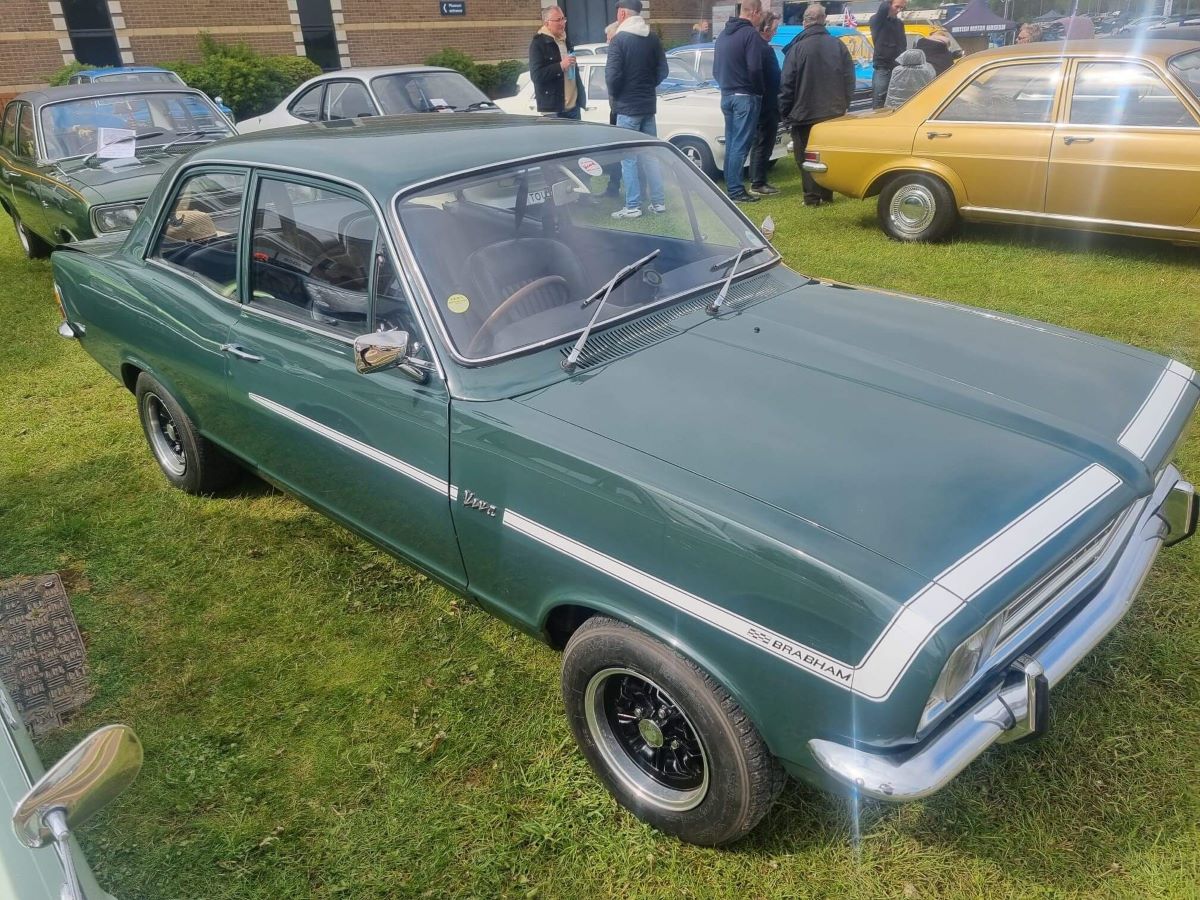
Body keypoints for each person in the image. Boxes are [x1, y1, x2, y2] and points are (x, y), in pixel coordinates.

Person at [778, 3, 854, 207]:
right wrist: (844, 104)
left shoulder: (797, 48)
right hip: (833, 112)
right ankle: (826, 194)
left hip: (804, 113)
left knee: (804, 156)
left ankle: (811, 197)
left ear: (805, 22)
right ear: (824, 20)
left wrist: (785, 112)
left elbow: (787, 84)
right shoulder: (838, 45)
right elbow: (849, 78)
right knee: (826, 154)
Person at [606, 0, 669, 218]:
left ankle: (632, 206)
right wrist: (646, 85)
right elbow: (664, 70)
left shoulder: (619, 40)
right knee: (651, 155)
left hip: (627, 107)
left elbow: (612, 77)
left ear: (622, 13)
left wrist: (619, 93)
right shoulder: (652, 38)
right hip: (647, 106)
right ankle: (659, 202)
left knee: (628, 158)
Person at [714, 0, 766, 203]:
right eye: (761, 13)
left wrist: (726, 86)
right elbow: (755, 68)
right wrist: (758, 89)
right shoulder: (750, 34)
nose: (761, 17)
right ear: (754, 12)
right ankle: (735, 190)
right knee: (740, 145)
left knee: (732, 143)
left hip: (727, 95)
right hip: (745, 95)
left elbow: (716, 69)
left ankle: (731, 186)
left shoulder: (723, 35)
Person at [528, 6, 586, 119]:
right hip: (554, 110)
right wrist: (560, 66)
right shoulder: (538, 44)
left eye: (563, 19)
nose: (562, 23)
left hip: (573, 108)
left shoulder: (566, 40)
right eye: (557, 20)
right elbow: (536, 76)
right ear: (547, 23)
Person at [748, 12, 782, 196]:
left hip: (761, 101)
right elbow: (770, 76)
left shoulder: (755, 46)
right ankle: (758, 182)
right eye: (774, 29)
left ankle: (757, 179)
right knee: (763, 142)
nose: (775, 32)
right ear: (766, 28)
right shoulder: (763, 49)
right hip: (766, 102)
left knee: (759, 142)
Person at [869, 0, 907, 109]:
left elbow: (902, 44)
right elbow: (882, 9)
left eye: (902, 8)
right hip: (883, 67)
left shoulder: (899, 23)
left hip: (898, 68)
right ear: (888, 5)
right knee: (879, 99)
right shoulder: (877, 20)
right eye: (897, 7)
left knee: (896, 101)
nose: (899, 10)